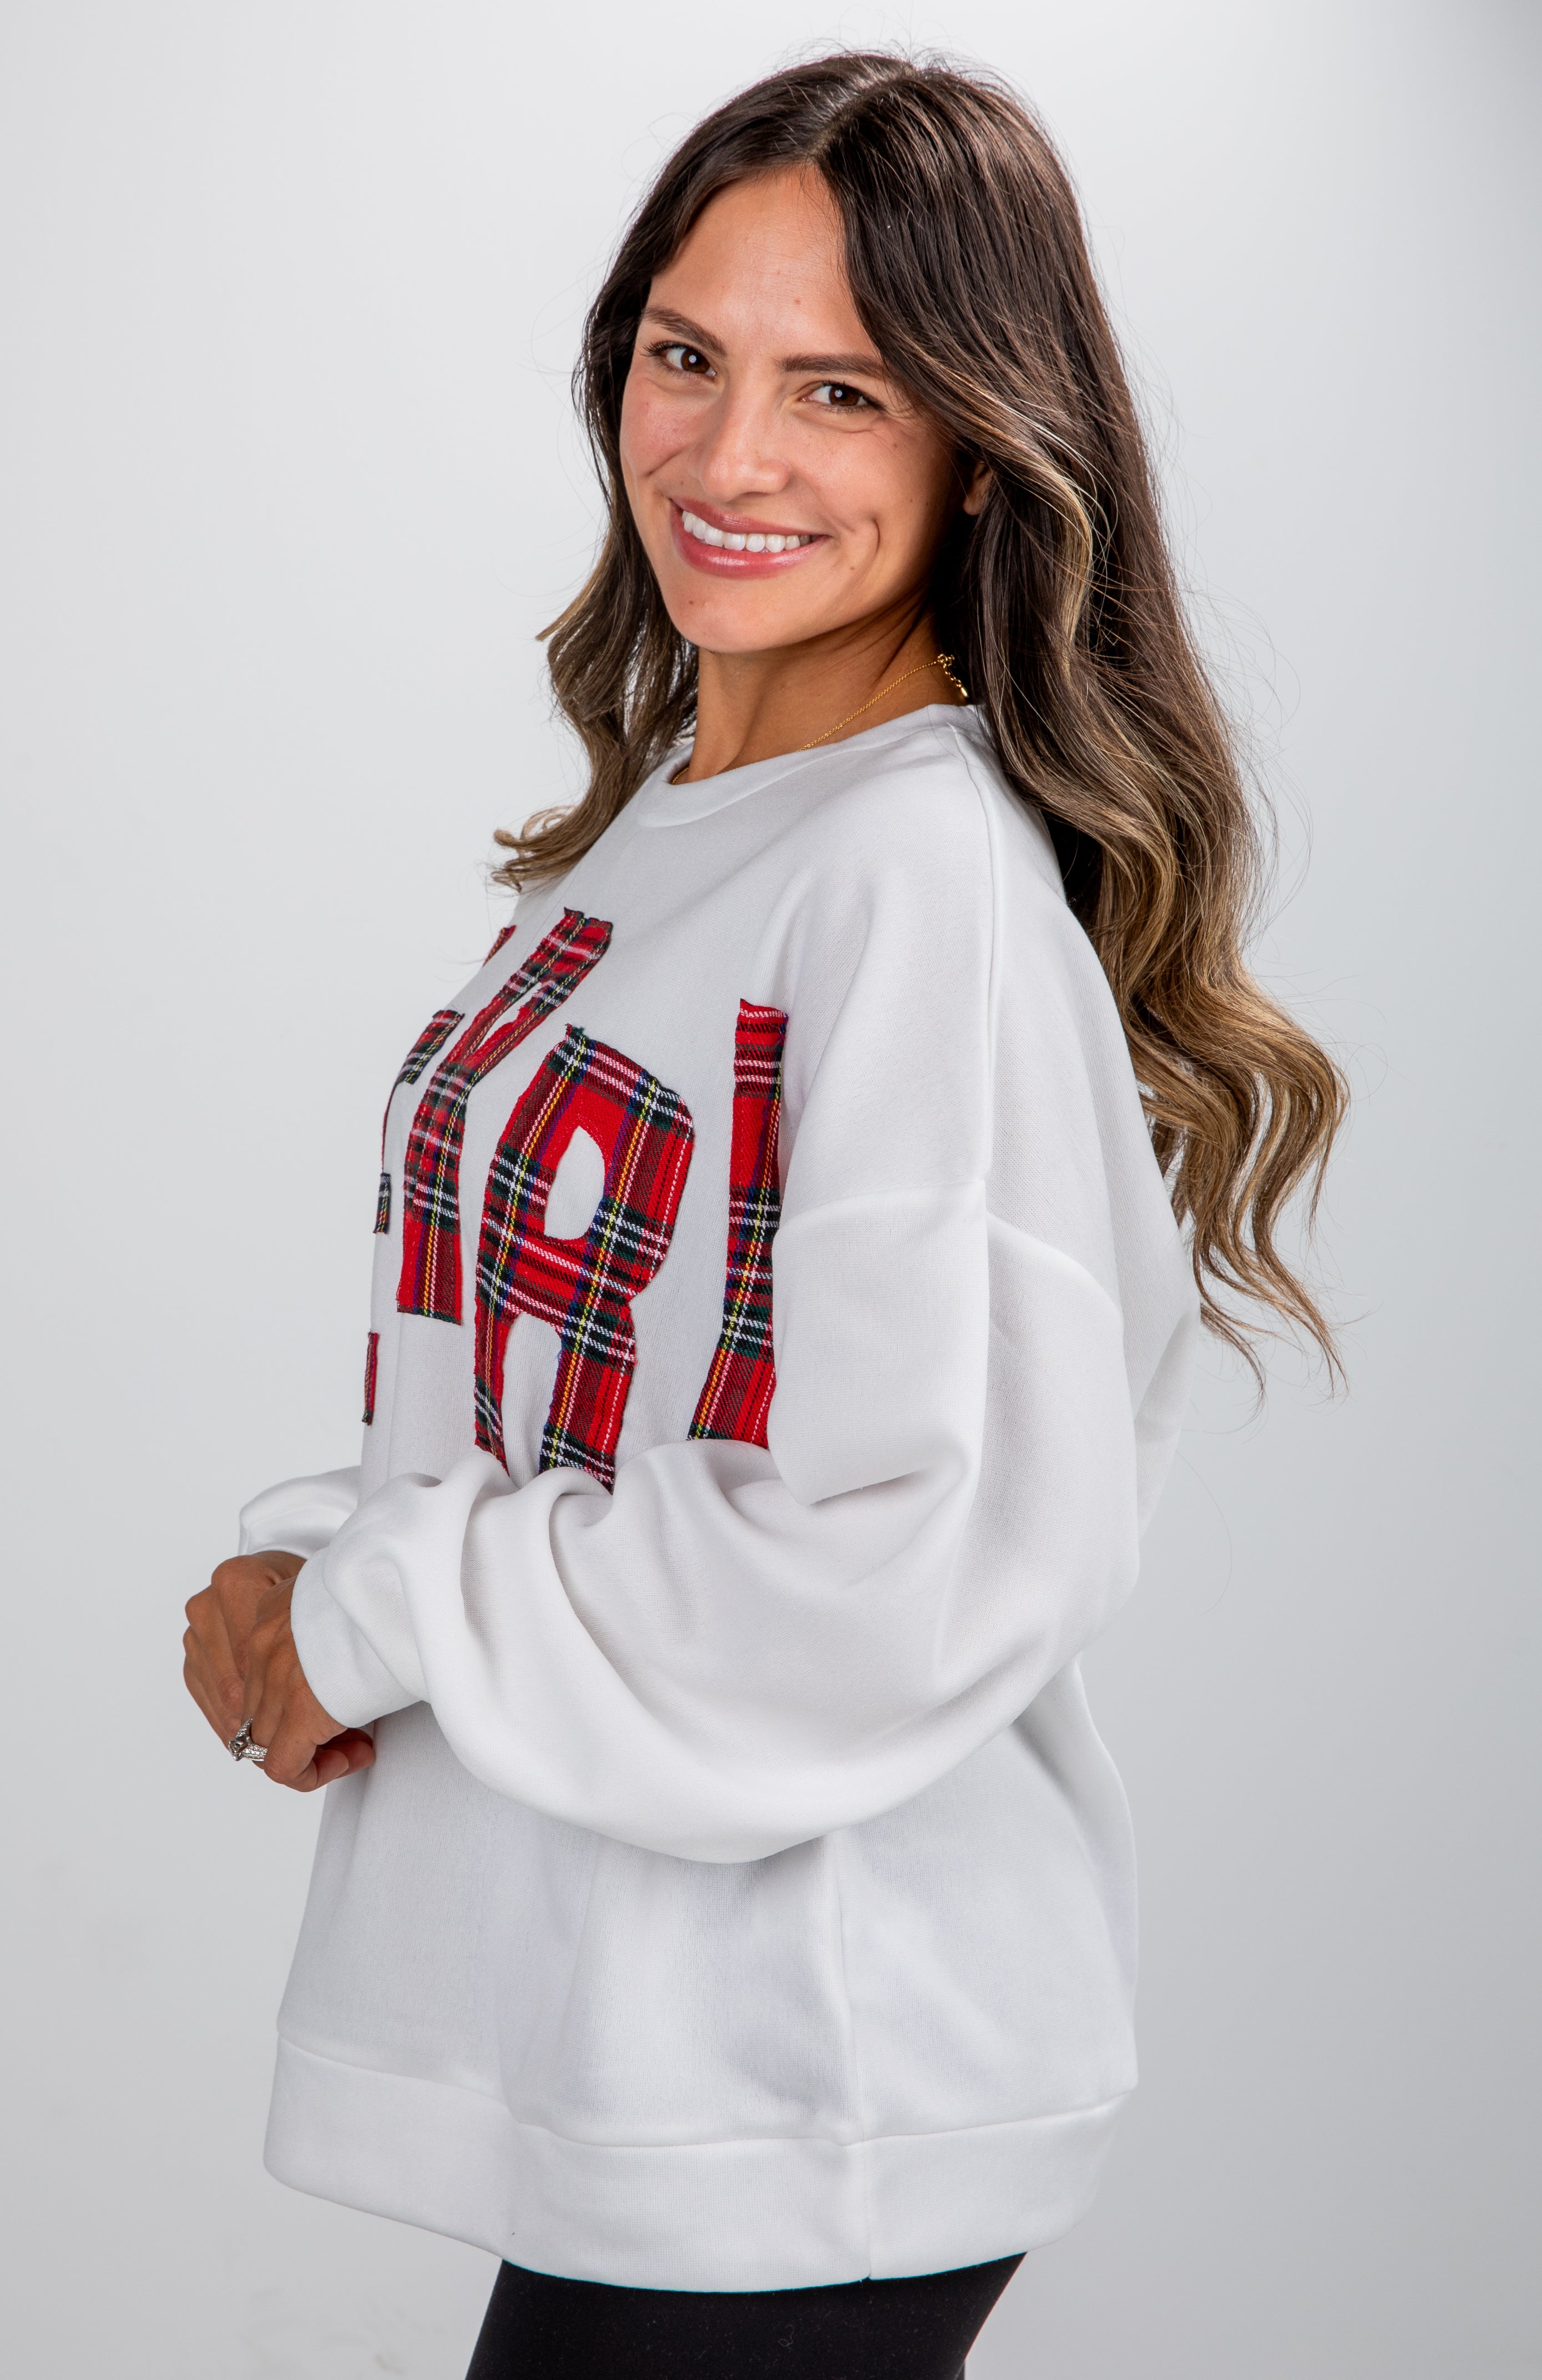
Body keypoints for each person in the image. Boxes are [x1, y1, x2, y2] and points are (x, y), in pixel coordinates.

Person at [183, 52, 1344, 2380]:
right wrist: (316, 1569)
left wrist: (378, 1607)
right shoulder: (696, 827)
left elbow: (903, 1544)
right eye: (683, 356)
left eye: (840, 388)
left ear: (980, 442)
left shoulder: (916, 876)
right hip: (659, 2058)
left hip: (815, 2065)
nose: (726, 456)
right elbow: (605, 1386)